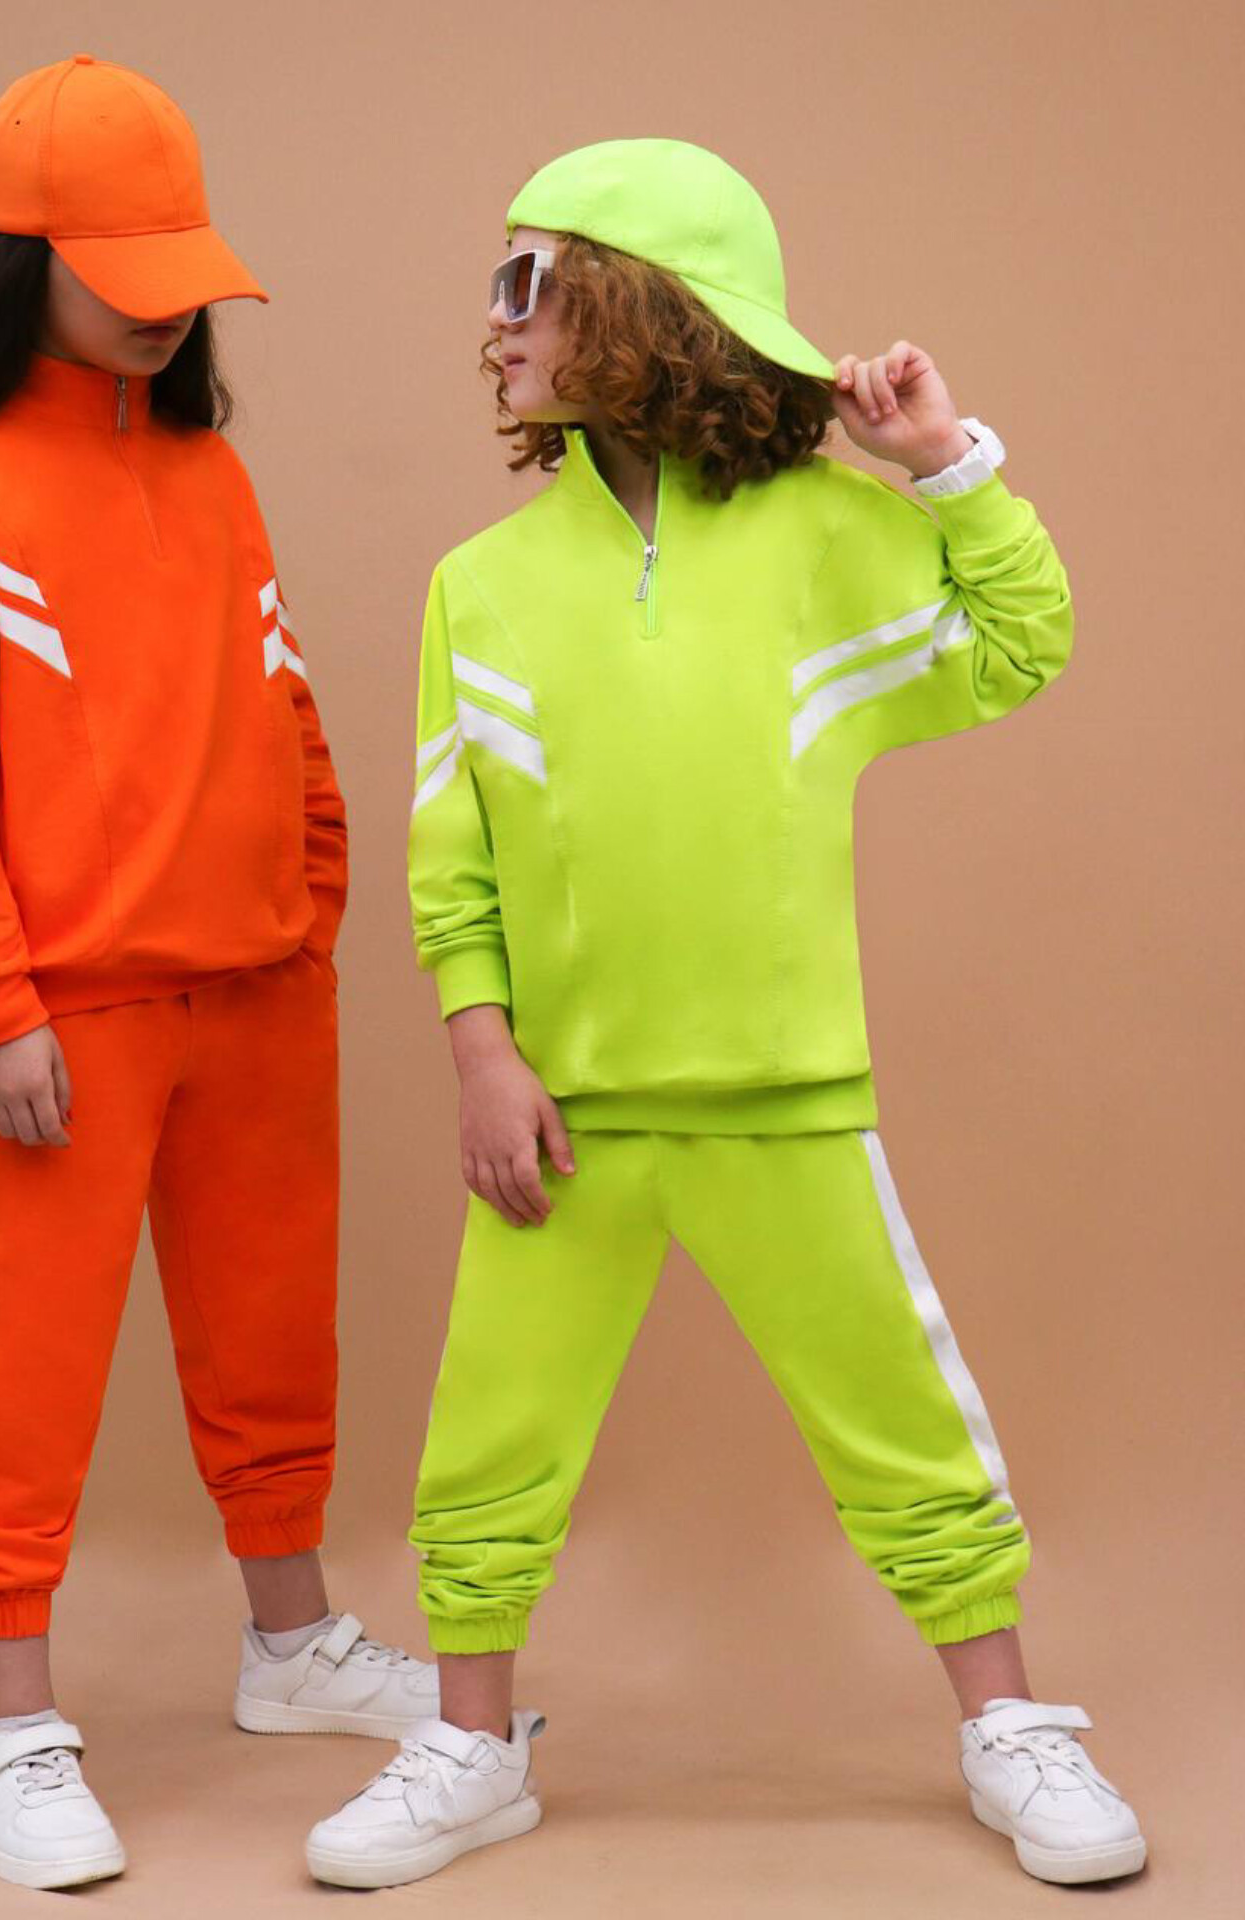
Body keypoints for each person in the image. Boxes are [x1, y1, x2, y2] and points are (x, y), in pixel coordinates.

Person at [305, 138, 1146, 1892]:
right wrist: (481, 1050)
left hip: (786, 1097)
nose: (494, 323)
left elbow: (1023, 642)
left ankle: (1007, 1725)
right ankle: (470, 1747)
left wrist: (944, 466)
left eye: (527, 284)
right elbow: (451, 854)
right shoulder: (481, 584)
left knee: (899, 1420)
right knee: (489, 1438)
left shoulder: (830, 536)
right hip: (567, 1117)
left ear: (639, 306)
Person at [0, 54, 434, 1891]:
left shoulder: (210, 465)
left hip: (259, 988)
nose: (167, 306)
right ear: (19, 261)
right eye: (126, 272)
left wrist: (314, 901)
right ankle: (12, 1725)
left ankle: (291, 1643)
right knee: (26, 1365)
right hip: (68, 1015)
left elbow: (281, 690)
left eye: (184, 270)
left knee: (273, 1334)